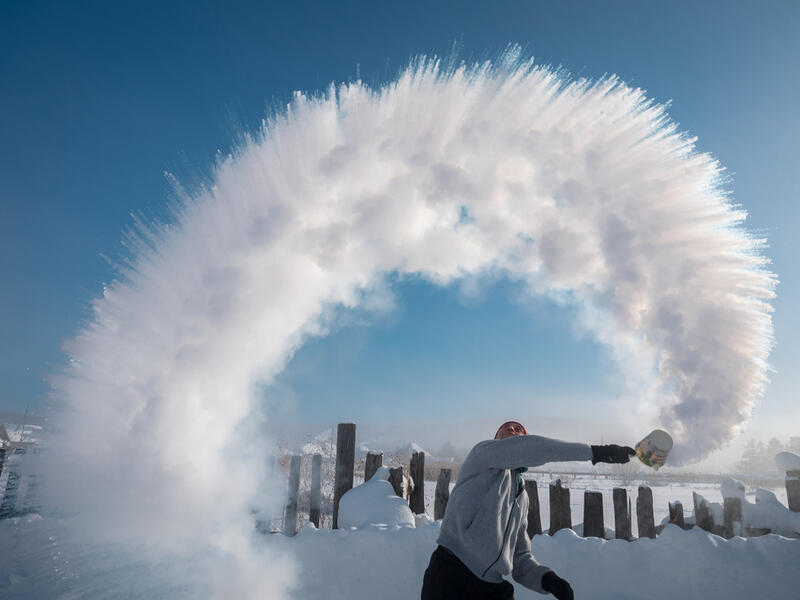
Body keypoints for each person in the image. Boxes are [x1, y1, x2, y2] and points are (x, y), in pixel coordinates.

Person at [421, 420, 635, 600]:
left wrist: (546, 579)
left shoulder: (521, 498)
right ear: (495, 438)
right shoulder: (482, 455)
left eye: (518, 429)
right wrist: (595, 452)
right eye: (506, 427)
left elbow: (519, 556)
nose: (512, 429)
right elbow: (533, 447)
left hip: (491, 587)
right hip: (451, 574)